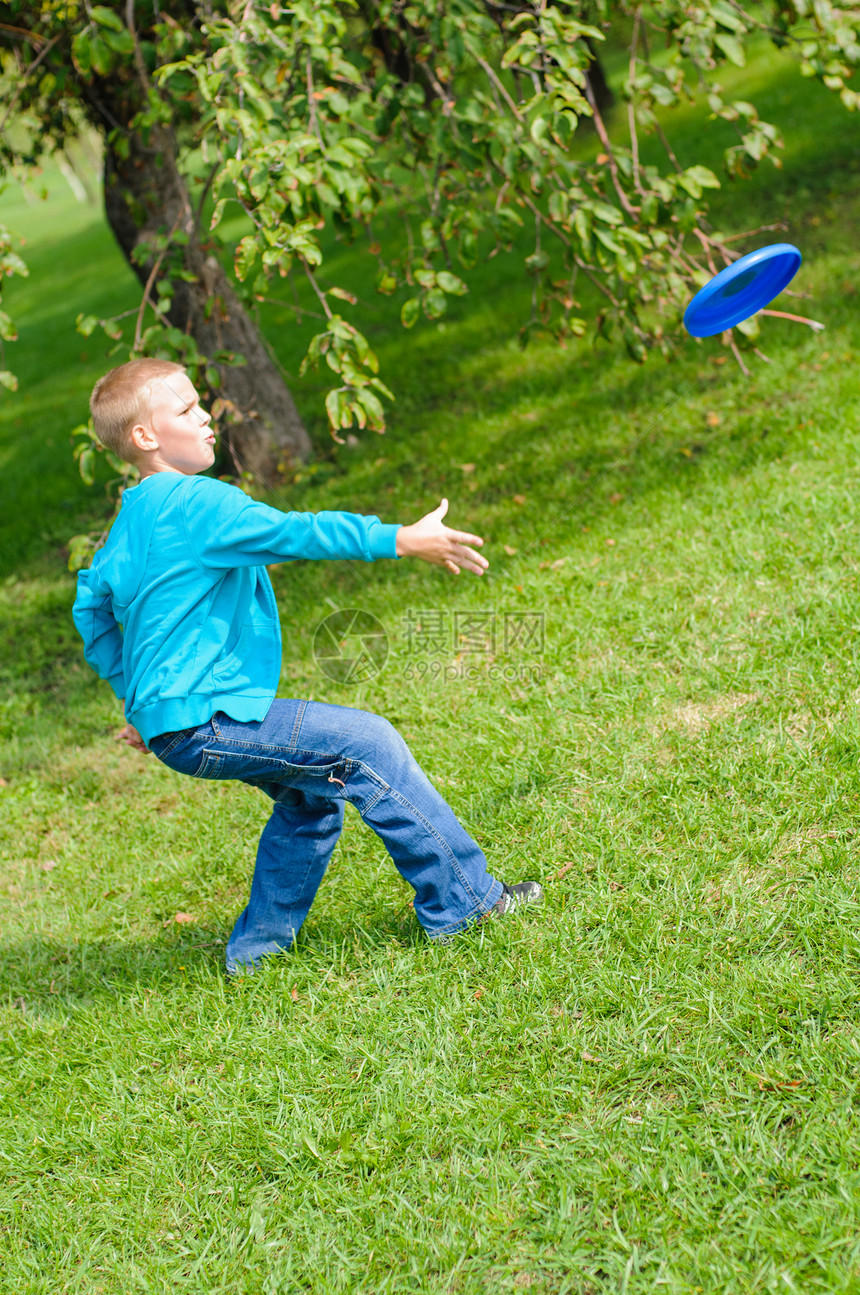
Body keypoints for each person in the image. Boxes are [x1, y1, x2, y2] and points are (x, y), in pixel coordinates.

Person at [72, 358, 542, 973]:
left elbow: (92, 612)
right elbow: (298, 532)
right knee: (367, 742)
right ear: (145, 437)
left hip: (177, 725)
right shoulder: (197, 504)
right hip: (207, 722)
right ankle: (466, 902)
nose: (206, 415)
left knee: (308, 803)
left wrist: (140, 702)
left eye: (199, 403)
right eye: (186, 409)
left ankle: (255, 954)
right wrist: (398, 538)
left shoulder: (128, 521)